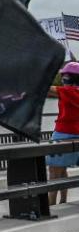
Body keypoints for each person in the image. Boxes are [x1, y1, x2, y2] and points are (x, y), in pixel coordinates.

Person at [47, 61, 79, 205]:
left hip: (64, 133)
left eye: (65, 78)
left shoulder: (69, 92)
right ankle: (64, 201)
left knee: (55, 171)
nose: (63, 80)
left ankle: (52, 203)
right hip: (76, 135)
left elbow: (46, 89)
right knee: (63, 169)